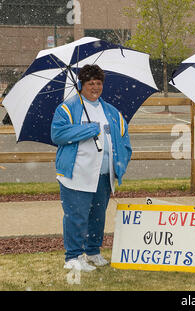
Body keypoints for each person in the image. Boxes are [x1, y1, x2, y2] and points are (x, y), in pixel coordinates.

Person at [51, 64, 132, 272]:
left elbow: (124, 139)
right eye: (90, 83)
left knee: (98, 216)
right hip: (77, 173)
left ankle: (93, 252)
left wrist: (120, 163)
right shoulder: (67, 108)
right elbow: (57, 135)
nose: (95, 87)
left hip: (103, 175)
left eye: (98, 83)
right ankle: (73, 257)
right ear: (81, 85)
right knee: (76, 216)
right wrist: (87, 129)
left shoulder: (111, 111)